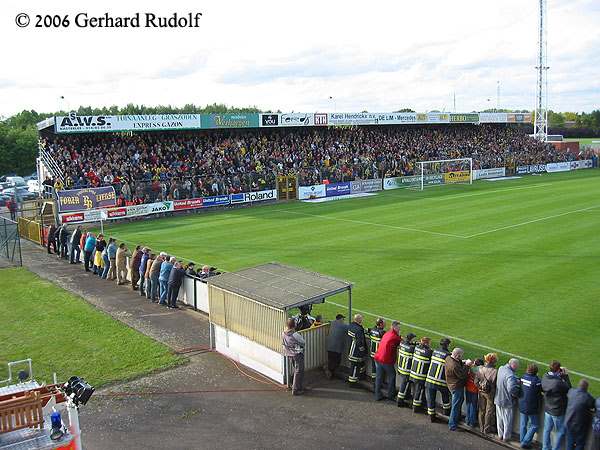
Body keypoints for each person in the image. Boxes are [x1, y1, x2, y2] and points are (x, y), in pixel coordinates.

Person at [542, 360, 571, 450]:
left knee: (547, 430)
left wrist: (559, 375)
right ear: (558, 370)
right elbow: (569, 388)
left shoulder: (545, 376)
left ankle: (545, 448)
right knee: (560, 431)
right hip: (557, 411)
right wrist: (565, 376)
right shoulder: (558, 383)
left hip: (547, 409)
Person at [425, 337, 452, 422]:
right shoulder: (448, 355)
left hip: (430, 379)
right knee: (445, 397)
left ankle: (431, 416)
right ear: (447, 345)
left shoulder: (434, 351)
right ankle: (446, 413)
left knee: (431, 399)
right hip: (441, 381)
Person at [373, 320, 401, 401]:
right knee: (392, 376)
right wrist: (399, 336)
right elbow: (400, 342)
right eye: (398, 328)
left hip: (378, 357)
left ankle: (377, 394)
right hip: (386, 360)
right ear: (395, 327)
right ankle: (391, 394)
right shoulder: (394, 337)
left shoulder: (387, 333)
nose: (399, 329)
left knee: (379, 377)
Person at [445, 347, 472, 430]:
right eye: (461, 356)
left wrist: (462, 362)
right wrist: (467, 365)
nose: (461, 357)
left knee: (457, 403)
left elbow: (457, 363)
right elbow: (462, 375)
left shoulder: (448, 358)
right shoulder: (454, 366)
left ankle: (456, 419)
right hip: (456, 386)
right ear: (457, 356)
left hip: (451, 384)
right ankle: (452, 424)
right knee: (456, 405)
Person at [495, 358, 521, 442]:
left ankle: (500, 435)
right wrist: (517, 393)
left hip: (498, 398)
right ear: (513, 365)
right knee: (507, 420)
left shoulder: (501, 368)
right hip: (506, 401)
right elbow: (511, 389)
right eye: (517, 367)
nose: (517, 368)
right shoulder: (510, 375)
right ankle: (506, 437)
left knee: (499, 419)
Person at [565, 379, 595, 450]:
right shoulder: (587, 397)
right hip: (580, 426)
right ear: (586, 388)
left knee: (570, 443)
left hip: (569, 423)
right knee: (580, 444)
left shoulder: (571, 392)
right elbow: (593, 404)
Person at [519, 363, 542, 449]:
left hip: (522, 404)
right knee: (535, 425)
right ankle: (525, 442)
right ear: (536, 372)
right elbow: (541, 390)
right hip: (532, 406)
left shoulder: (522, 377)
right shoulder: (537, 381)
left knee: (523, 424)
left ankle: (523, 441)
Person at [476, 352, 498, 435]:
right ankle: (486, 428)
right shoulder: (495, 371)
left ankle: (481, 427)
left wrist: (481, 388)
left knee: (482, 410)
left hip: (481, 392)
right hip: (490, 393)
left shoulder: (480, 369)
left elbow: (476, 381)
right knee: (489, 411)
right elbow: (495, 384)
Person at [282, 318, 306, 396]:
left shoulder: (284, 333)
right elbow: (303, 342)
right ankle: (295, 389)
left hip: (289, 353)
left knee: (297, 370)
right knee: (299, 371)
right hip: (297, 354)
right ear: (294, 325)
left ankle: (298, 386)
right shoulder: (295, 334)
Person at [410, 336, 432, 413]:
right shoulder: (428, 352)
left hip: (413, 373)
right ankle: (416, 407)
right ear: (426, 343)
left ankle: (415, 404)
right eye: (429, 343)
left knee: (416, 389)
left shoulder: (416, 348)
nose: (430, 344)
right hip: (420, 376)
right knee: (419, 391)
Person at [396, 332, 417, 407]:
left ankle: (404, 397)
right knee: (404, 385)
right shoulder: (412, 348)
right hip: (406, 370)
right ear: (411, 339)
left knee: (404, 384)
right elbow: (414, 349)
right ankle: (400, 401)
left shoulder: (402, 343)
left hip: (401, 367)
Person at [325, 314, 348, 379]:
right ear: (340, 319)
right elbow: (350, 329)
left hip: (329, 346)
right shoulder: (343, 325)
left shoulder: (332, 323)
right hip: (337, 348)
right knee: (337, 361)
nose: (343, 320)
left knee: (330, 360)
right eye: (343, 319)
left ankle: (329, 371)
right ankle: (332, 373)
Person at [347, 314, 367, 385]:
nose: (362, 320)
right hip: (356, 351)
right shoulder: (358, 329)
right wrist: (363, 350)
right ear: (359, 320)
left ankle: (360, 377)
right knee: (355, 366)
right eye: (361, 319)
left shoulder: (351, 326)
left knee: (358, 365)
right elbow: (359, 342)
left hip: (350, 349)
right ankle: (352, 382)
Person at [465, 358, 484, 428]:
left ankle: (467, 420)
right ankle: (472, 422)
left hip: (468, 388)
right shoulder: (479, 371)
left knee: (468, 404)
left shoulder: (471, 368)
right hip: (474, 390)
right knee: (473, 406)